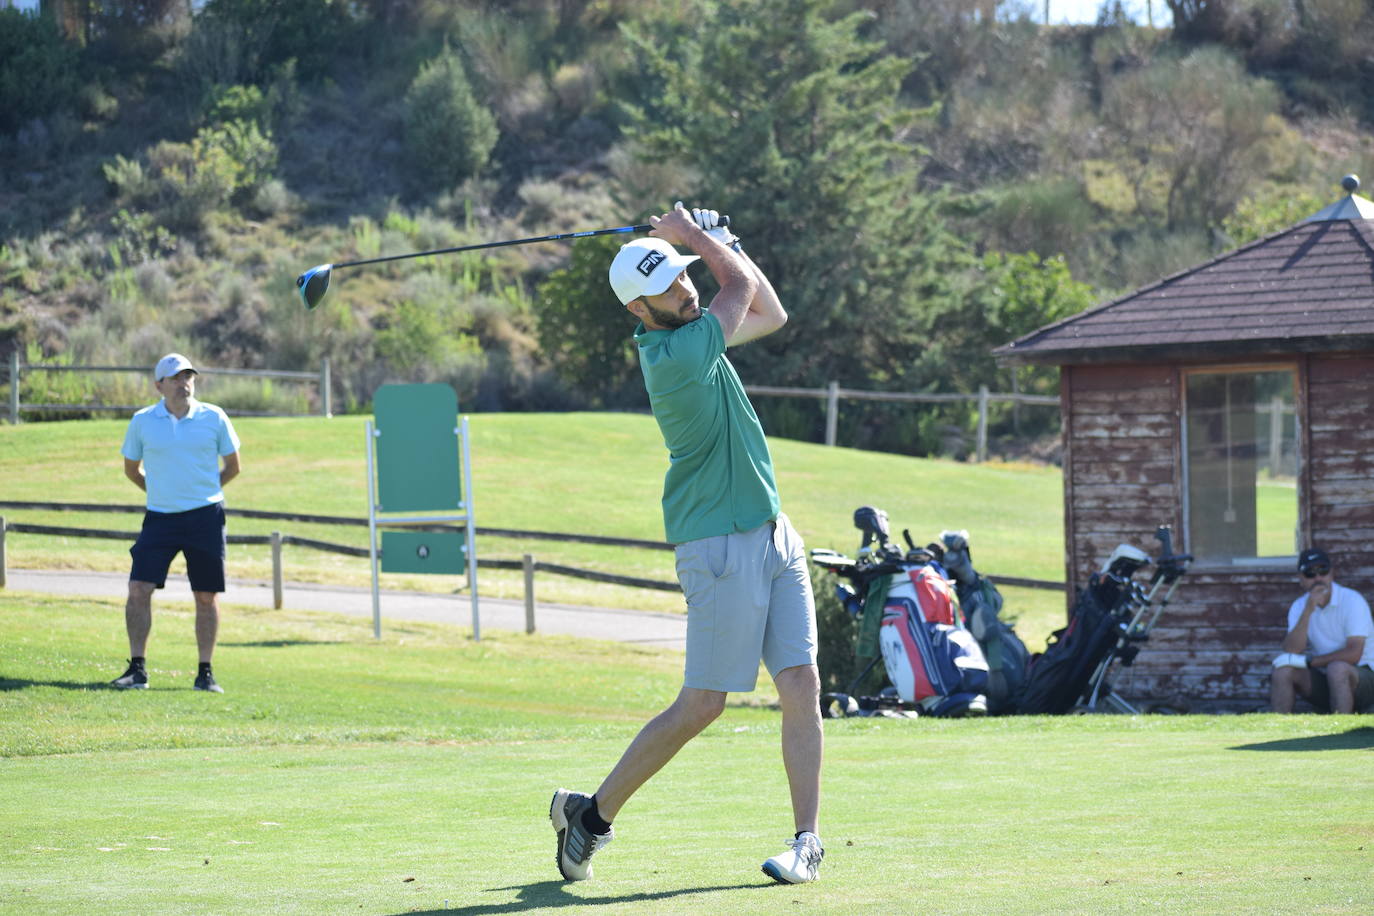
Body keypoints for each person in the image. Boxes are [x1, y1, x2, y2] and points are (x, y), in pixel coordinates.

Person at [549, 203, 824, 886]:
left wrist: (718, 239)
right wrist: (696, 235)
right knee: (704, 703)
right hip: (717, 545)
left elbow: (770, 312)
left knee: (802, 686)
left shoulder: (698, 333)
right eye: (668, 286)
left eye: (682, 275)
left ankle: (807, 842)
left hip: (772, 533)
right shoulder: (673, 354)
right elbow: (738, 292)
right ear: (640, 313)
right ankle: (591, 820)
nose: (685, 288)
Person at [110, 353, 241, 693]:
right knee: (138, 589)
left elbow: (233, 466)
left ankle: (205, 672)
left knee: (206, 596)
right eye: (176, 378)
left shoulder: (214, 417)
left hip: (205, 517)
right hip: (160, 518)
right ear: (159, 385)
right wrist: (159, 493)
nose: (184, 383)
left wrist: (202, 492)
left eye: (188, 377)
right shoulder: (142, 421)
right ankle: (137, 669)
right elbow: (131, 469)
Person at [1270, 548, 1374, 714]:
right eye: (1310, 573)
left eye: (1323, 571)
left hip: (1365, 678)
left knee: (1337, 668)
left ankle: (1340, 730)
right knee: (1283, 670)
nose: (1318, 578)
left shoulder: (1352, 600)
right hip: (1328, 678)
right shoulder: (1299, 606)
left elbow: (1354, 653)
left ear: (1332, 573)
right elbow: (1292, 650)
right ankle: (1277, 730)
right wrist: (1308, 610)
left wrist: (1310, 662)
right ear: (1301, 579)